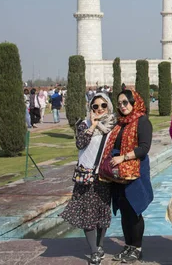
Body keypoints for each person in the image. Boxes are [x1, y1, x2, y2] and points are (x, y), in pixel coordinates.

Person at [60, 92, 116, 265]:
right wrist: (93, 125)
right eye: (95, 106)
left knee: (102, 213)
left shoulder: (113, 126)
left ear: (108, 106)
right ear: (90, 108)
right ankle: (93, 251)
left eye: (103, 106)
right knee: (87, 214)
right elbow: (80, 143)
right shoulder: (83, 124)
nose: (99, 109)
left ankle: (99, 246)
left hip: (104, 176)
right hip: (86, 176)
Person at [101, 90, 153, 263]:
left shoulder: (142, 121)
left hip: (135, 171)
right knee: (124, 210)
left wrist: (123, 157)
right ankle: (128, 246)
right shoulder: (119, 123)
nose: (122, 106)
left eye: (125, 102)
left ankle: (137, 248)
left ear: (134, 102)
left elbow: (144, 148)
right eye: (120, 103)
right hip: (119, 173)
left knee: (134, 209)